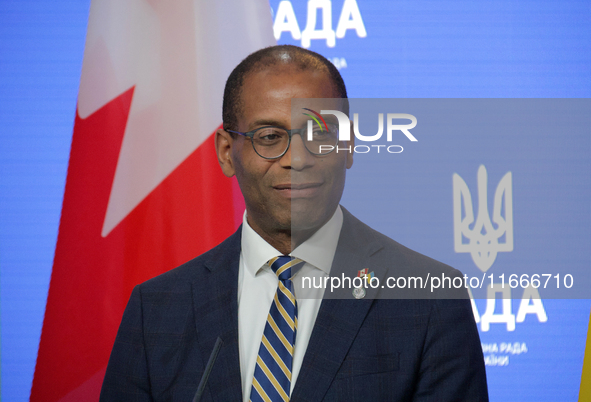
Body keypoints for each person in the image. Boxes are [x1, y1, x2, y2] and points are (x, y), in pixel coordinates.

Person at [101, 45, 488, 401]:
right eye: (269, 137)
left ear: (349, 145)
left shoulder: (430, 298)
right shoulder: (156, 310)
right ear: (226, 153)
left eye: (319, 132)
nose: (297, 158)